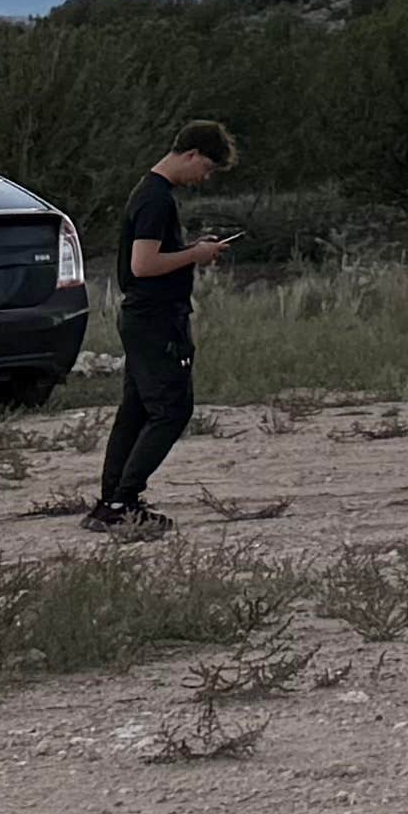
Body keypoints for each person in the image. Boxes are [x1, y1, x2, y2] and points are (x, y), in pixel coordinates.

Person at [86, 120, 238, 535]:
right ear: (190, 154)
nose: (203, 178)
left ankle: (110, 501)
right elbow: (144, 265)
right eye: (206, 168)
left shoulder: (150, 193)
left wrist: (191, 249)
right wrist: (195, 255)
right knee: (172, 409)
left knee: (135, 410)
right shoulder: (156, 200)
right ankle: (123, 500)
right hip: (155, 319)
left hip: (142, 317)